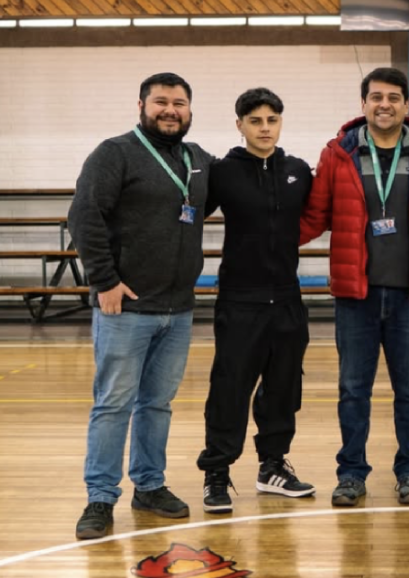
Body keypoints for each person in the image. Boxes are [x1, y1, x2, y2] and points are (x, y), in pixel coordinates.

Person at [300, 67, 409, 506]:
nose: (384, 105)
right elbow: (314, 217)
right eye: (376, 97)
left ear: (407, 105)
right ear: (363, 104)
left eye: (393, 97)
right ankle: (351, 473)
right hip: (356, 296)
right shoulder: (338, 153)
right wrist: (264, 242)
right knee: (353, 390)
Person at [68, 72, 214, 539]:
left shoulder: (197, 159)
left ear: (190, 109)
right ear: (141, 106)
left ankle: (149, 485)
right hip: (125, 309)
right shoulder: (115, 153)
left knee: (157, 404)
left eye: (179, 103)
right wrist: (105, 281)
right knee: (113, 404)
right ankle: (100, 496)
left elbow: (202, 205)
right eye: (161, 102)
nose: (171, 110)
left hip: (178, 308)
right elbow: (83, 215)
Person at [196, 88, 315, 514]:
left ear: (280, 123)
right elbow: (186, 217)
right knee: (230, 388)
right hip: (239, 301)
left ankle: (272, 466)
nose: (265, 128)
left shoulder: (298, 171)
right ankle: (216, 471)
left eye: (272, 120)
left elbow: (316, 217)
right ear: (240, 125)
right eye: (255, 121)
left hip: (287, 299)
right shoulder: (222, 172)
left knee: (284, 387)